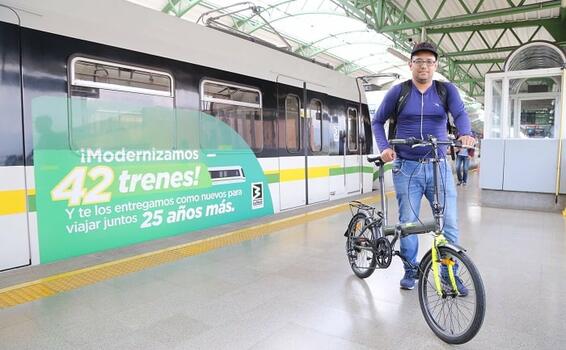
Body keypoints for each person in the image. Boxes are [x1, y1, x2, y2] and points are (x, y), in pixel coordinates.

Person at [371, 42, 475, 291]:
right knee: (408, 223)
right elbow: (377, 121)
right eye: (419, 61)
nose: (424, 66)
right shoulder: (398, 92)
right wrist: (384, 148)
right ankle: (411, 269)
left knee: (448, 222)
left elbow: (460, 114)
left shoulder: (445, 91)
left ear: (435, 66)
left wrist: (466, 133)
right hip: (406, 167)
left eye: (429, 62)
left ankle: (450, 273)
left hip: (438, 166)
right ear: (410, 65)